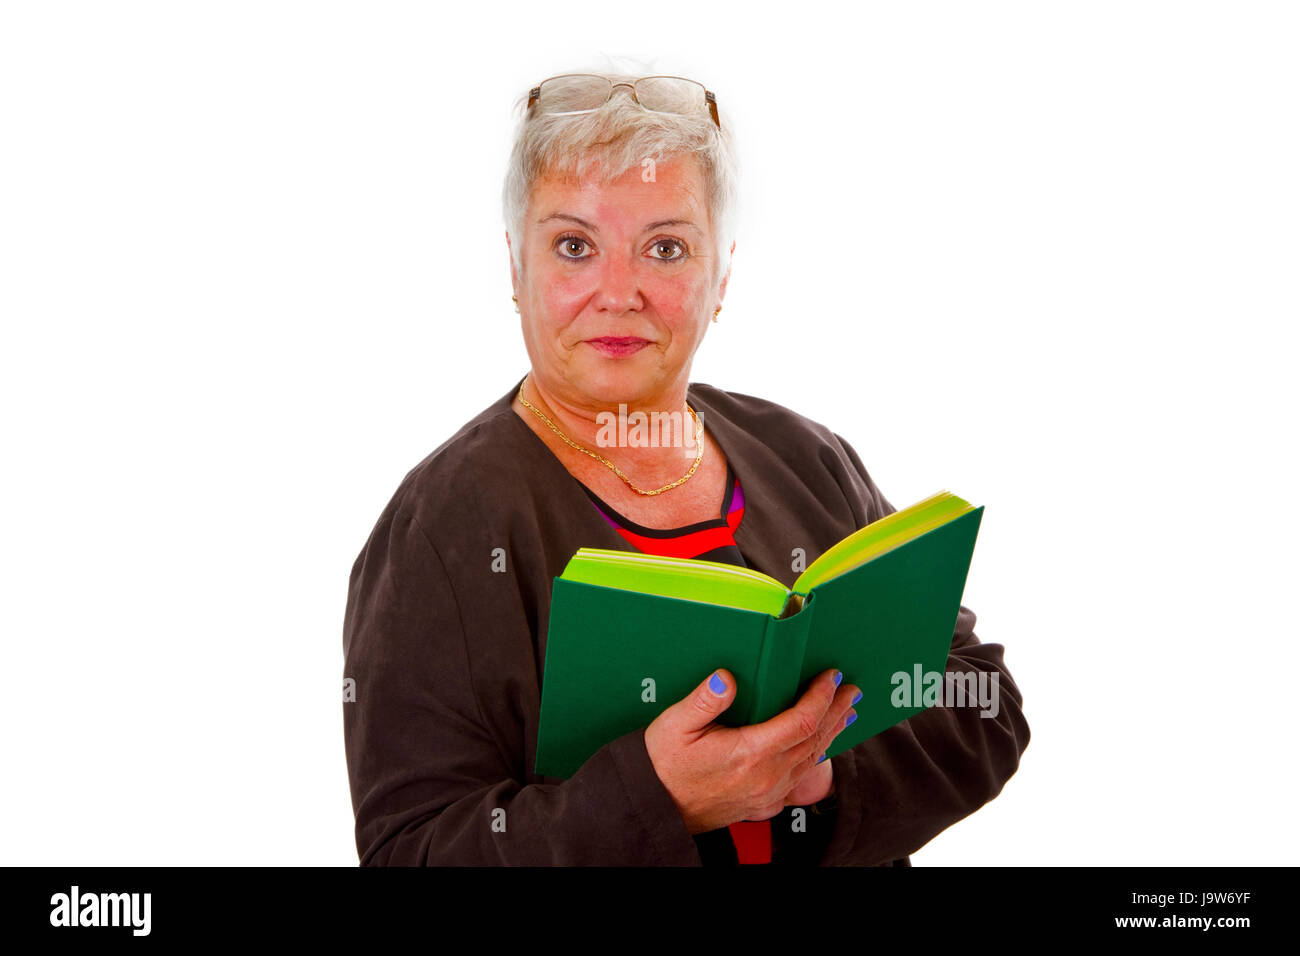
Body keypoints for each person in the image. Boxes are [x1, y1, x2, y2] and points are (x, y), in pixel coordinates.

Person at [341, 70, 1030, 865]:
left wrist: (815, 768)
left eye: (665, 248)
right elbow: (411, 852)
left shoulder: (805, 455)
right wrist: (658, 801)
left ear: (722, 277)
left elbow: (986, 703)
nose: (620, 291)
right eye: (574, 246)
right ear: (514, 267)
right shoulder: (444, 524)